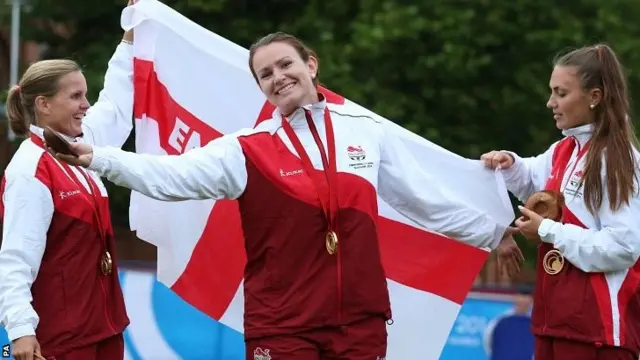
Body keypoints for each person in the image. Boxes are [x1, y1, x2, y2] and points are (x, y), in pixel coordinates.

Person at [49, 31, 522, 360]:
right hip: (284, 324)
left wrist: (494, 231)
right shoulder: (247, 148)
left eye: (285, 65)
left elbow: (422, 200)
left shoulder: (364, 132)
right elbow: (171, 176)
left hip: (360, 319)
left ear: (311, 64)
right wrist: (97, 157)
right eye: (265, 74)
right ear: (259, 87)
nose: (278, 77)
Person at [481, 44, 640, 360]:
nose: (550, 102)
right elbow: (530, 181)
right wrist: (507, 163)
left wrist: (549, 231)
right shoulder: (564, 150)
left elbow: (623, 247)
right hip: (553, 321)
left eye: (561, 93)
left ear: (594, 96)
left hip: (597, 332)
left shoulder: (618, 160)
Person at [0, 1, 139, 359]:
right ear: (44, 104)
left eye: (85, 95)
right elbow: (15, 258)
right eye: (76, 96)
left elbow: (117, 105)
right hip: (60, 339)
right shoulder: (30, 169)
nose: (87, 105)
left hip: (104, 328)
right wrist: (19, 330)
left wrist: (131, 35)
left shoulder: (79, 145)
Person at [483, 286, 534, 360]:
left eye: (526, 297)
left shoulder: (537, 323)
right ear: (515, 299)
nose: (523, 300)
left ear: (531, 301)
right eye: (521, 297)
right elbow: (488, 341)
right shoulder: (500, 321)